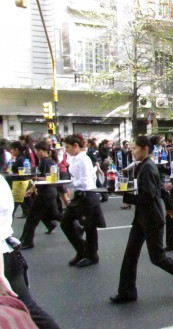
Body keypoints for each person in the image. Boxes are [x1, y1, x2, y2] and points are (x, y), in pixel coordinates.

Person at [109, 136, 173, 304]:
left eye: (135, 148)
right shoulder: (145, 166)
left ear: (145, 149)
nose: (132, 151)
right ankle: (127, 292)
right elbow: (160, 189)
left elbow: (148, 197)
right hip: (142, 219)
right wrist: (169, 205)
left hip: (151, 220)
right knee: (130, 255)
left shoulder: (148, 168)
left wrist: (126, 197)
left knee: (158, 258)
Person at [0, 147, 61, 329]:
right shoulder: (3, 181)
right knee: (29, 308)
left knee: (28, 308)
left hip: (5, 253)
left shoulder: (46, 162)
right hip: (8, 250)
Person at [61, 134, 106, 267]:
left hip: (88, 195)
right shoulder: (74, 158)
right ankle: (83, 250)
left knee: (90, 227)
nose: (66, 150)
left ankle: (92, 255)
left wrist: (69, 184)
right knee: (65, 223)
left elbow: (86, 181)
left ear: (76, 146)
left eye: (68, 147)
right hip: (80, 195)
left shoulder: (84, 159)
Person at [20, 141, 62, 249]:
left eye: (39, 151)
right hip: (48, 191)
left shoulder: (46, 162)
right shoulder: (43, 161)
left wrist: (34, 178)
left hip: (46, 192)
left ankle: (27, 240)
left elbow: (49, 177)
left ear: (44, 151)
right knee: (55, 214)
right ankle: (76, 227)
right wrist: (32, 188)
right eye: (36, 151)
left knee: (32, 217)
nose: (37, 153)